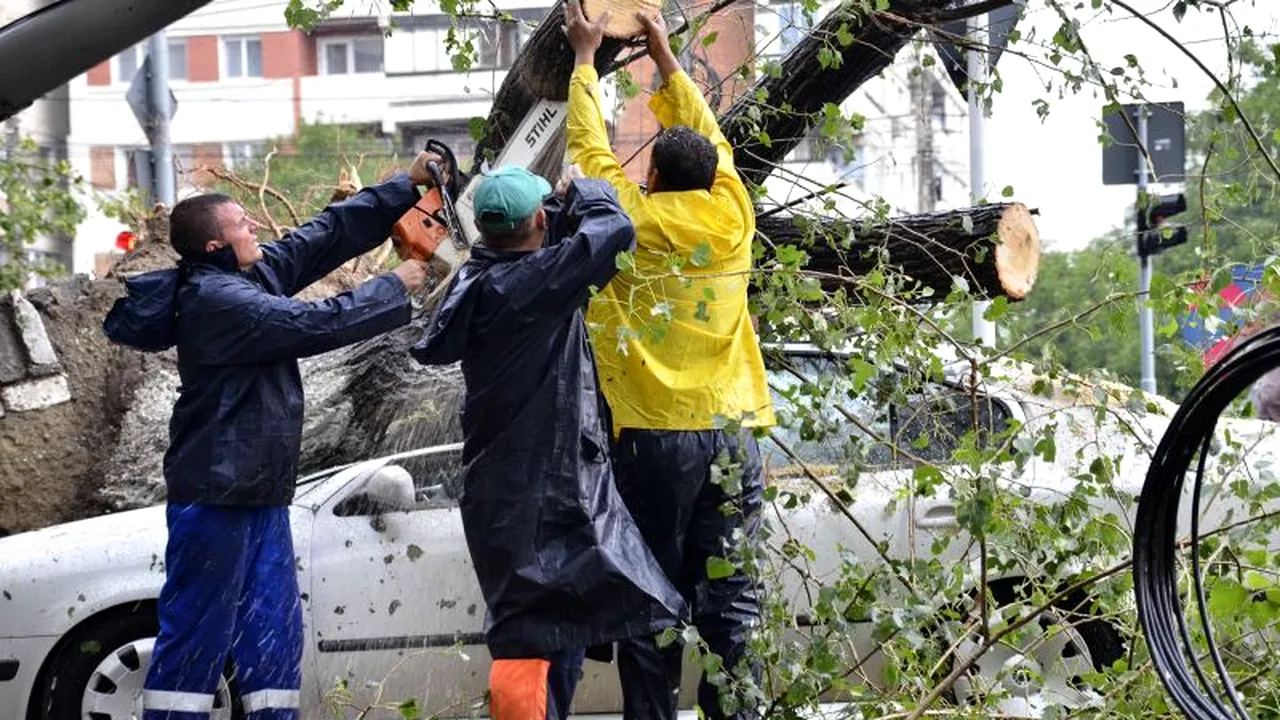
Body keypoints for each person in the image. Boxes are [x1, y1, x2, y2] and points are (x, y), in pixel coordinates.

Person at [101, 153, 442, 720]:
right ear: (215, 246)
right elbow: (315, 324)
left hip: (257, 491)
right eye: (242, 224)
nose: (254, 226)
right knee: (197, 632)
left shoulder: (244, 273)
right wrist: (393, 286)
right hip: (216, 496)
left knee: (273, 631)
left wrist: (403, 186)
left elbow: (322, 237)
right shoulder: (219, 301)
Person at [409, 164, 686, 720]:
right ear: (538, 218)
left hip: (510, 488)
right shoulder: (531, 285)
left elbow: (542, 249)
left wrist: (551, 213)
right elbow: (613, 232)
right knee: (535, 633)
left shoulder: (484, 277)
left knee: (551, 624)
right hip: (542, 486)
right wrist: (585, 189)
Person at [564, 3, 776, 718]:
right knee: (733, 601)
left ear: (651, 175)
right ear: (714, 179)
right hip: (732, 431)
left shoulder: (628, 220)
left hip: (653, 440)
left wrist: (586, 61)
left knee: (650, 597)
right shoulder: (734, 217)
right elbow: (711, 136)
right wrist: (663, 51)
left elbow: (589, 152)